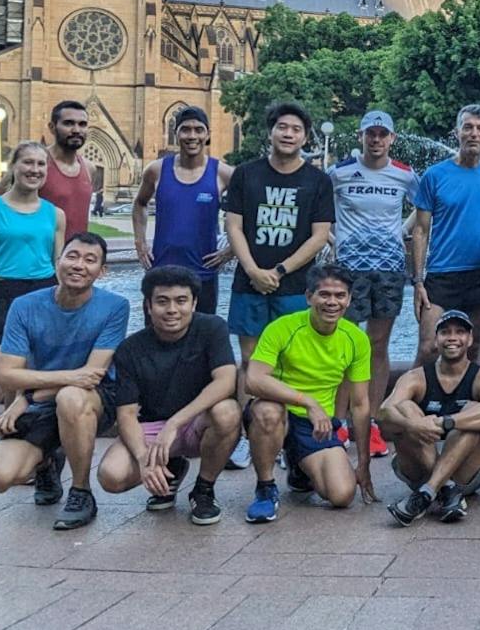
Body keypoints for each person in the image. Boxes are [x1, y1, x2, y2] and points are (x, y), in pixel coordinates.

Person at [0, 233, 130, 531]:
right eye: (72, 256)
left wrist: (27, 397)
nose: (79, 265)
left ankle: (81, 492)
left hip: (92, 400)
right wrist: (62, 380)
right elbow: (7, 375)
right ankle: (48, 461)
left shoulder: (115, 307)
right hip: (44, 401)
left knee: (71, 397)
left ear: (102, 271)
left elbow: (92, 376)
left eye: (90, 260)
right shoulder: (24, 306)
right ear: (57, 261)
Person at [223, 101, 335, 469]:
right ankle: (247, 434)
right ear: (270, 131)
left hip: (295, 286)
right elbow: (234, 226)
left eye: (296, 129)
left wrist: (280, 270)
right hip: (249, 283)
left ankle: (288, 438)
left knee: (292, 363)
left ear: (305, 137)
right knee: (249, 361)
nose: (288, 134)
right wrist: (253, 269)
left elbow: (320, 235)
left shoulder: (317, 181)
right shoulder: (246, 174)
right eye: (282, 127)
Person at [0, 141, 65, 498]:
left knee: (30, 391)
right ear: (13, 167)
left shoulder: (55, 215)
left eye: (41, 165)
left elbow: (60, 266)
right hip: (4, 298)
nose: (34, 170)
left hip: (43, 300)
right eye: (27, 163)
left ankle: (37, 462)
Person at [96, 266, 241, 524]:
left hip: (198, 422)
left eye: (181, 301)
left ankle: (204, 489)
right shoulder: (130, 349)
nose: (172, 309)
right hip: (153, 429)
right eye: (162, 301)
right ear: (148, 306)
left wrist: (175, 423)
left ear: (193, 303)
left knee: (227, 412)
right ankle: (172, 466)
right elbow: (126, 414)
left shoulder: (212, 328)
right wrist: (143, 459)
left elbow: (226, 382)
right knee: (111, 477)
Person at [242, 263, 376, 522]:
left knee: (342, 495)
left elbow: (360, 405)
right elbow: (253, 380)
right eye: (324, 294)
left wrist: (364, 463)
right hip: (280, 411)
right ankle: (265, 489)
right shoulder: (284, 327)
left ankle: (299, 468)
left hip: (317, 425)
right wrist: (308, 402)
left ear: (349, 300)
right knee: (268, 412)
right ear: (308, 297)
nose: (332, 302)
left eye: (340, 296)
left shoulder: (356, 338)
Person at [327, 110, 419, 460]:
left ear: (392, 138)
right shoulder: (339, 173)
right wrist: (332, 239)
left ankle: (373, 422)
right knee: (345, 344)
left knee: (378, 345)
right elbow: (319, 212)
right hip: (350, 271)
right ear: (361, 136)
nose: (376, 139)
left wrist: (403, 230)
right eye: (371, 133)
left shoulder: (404, 174)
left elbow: (424, 206)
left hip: (389, 269)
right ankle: (339, 422)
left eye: (382, 134)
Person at [378, 309, 480, 524]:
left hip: (466, 474)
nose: (452, 337)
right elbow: (384, 411)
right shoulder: (416, 377)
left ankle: (427, 493)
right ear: (436, 340)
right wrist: (413, 425)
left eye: (460, 332)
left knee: (474, 411)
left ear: (470, 339)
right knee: (405, 408)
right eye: (445, 332)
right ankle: (444, 489)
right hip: (419, 468)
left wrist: (447, 422)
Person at [410, 104, 480, 363]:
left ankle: (466, 392)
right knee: (428, 348)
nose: (474, 133)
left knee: (473, 348)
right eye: (468, 127)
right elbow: (420, 230)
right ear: (457, 132)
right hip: (442, 274)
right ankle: (416, 391)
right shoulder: (435, 176)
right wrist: (418, 281)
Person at [133, 105, 234, 315]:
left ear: (208, 135)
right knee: (156, 332)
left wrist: (231, 250)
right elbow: (140, 203)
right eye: (185, 129)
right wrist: (140, 243)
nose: (192, 136)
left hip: (203, 273)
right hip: (161, 271)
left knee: (203, 333)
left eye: (199, 130)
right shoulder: (157, 170)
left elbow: (250, 212)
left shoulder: (223, 173)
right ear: (176, 133)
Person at [0, 100, 94, 238]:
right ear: (52, 127)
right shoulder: (34, 165)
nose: (76, 130)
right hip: (37, 250)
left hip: (74, 251)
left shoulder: (89, 168)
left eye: (82, 124)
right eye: (68, 123)